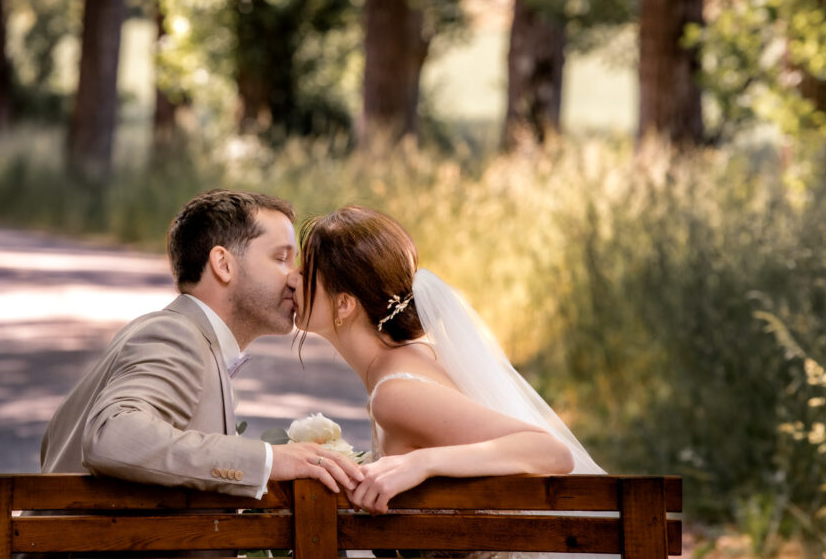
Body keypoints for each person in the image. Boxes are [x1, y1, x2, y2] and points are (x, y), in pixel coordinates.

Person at [40, 189, 362, 497]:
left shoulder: (172, 334)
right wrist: (268, 461)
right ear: (223, 265)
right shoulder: (176, 337)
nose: (295, 278)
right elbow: (111, 436)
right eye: (281, 258)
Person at [294, 205, 604, 515]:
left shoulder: (396, 393)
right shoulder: (411, 357)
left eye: (305, 273)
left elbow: (552, 452)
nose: (292, 279)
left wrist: (422, 463)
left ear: (344, 305)